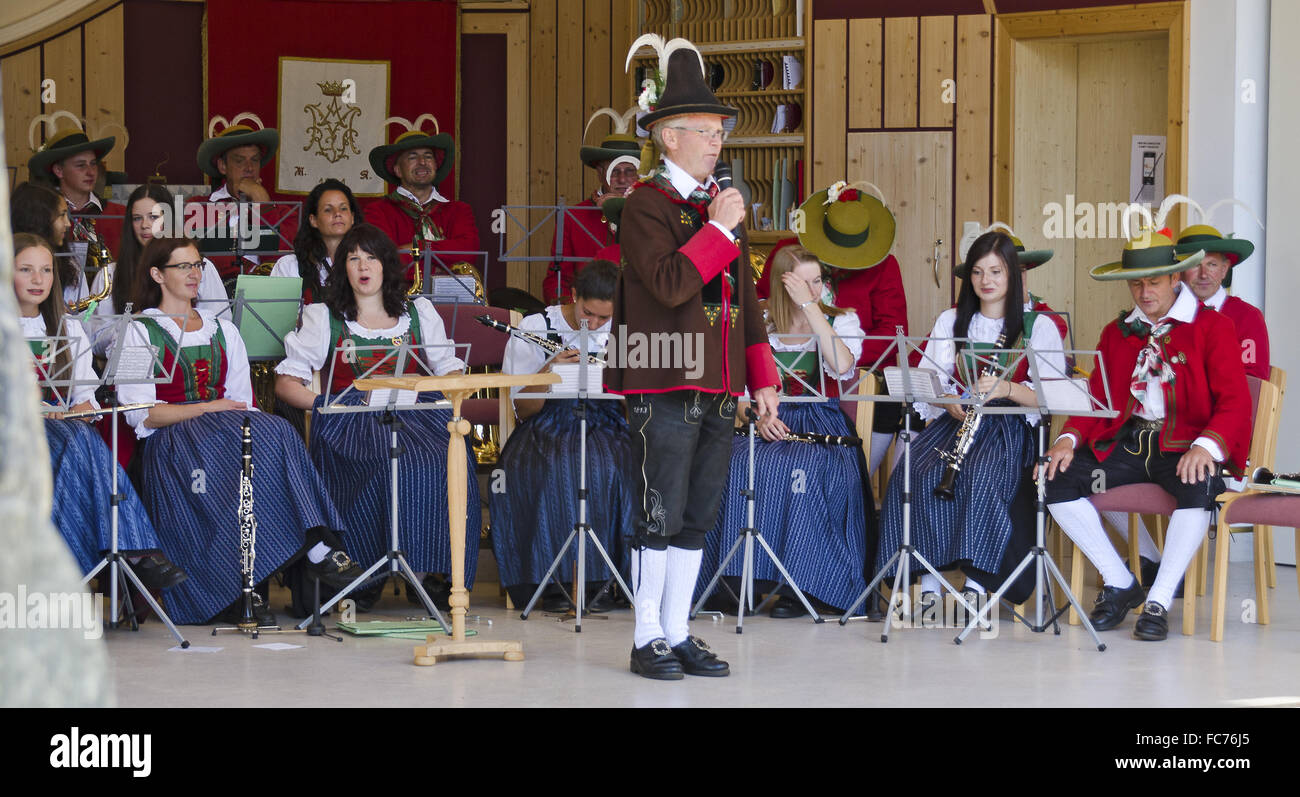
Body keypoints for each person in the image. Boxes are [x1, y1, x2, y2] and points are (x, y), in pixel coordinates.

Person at [609, 40, 780, 679]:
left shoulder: (717, 205)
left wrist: (761, 378)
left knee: (699, 508)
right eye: (705, 132)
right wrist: (719, 228)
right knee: (660, 506)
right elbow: (672, 284)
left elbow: (747, 301)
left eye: (720, 132)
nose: (716, 143)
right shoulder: (645, 205)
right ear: (668, 136)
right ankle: (645, 634)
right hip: (660, 374)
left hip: (716, 380)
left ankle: (677, 630)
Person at [115, 236, 361, 625]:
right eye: (183, 267)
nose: (195, 274)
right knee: (240, 455)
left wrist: (221, 412)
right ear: (157, 274)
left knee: (277, 430)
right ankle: (304, 552)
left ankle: (306, 548)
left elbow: (242, 402)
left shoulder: (223, 330)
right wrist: (208, 407)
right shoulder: (137, 331)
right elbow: (139, 413)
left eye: (197, 265)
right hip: (171, 442)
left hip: (225, 431)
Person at [1043, 230, 1251, 641]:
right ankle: (1120, 583)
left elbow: (1235, 403)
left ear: (1176, 279)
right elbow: (1098, 399)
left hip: (1186, 445)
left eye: (1153, 281)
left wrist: (1206, 445)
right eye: (1136, 282)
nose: (1143, 291)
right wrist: (1066, 441)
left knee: (1198, 483)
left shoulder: (1213, 327)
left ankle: (1157, 599)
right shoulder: (1116, 332)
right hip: (1130, 442)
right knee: (1053, 478)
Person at [274, 223, 478, 611]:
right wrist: (324, 405)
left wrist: (452, 381)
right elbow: (287, 383)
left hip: (419, 416)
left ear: (386, 266)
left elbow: (448, 365)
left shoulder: (418, 312)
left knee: (442, 460)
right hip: (352, 422)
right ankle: (366, 574)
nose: (363, 266)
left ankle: (429, 571)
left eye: (371, 257)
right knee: (384, 463)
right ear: (342, 270)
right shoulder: (324, 317)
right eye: (353, 259)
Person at [874, 231, 1066, 609]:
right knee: (913, 472)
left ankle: (978, 584)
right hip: (957, 423)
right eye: (978, 272)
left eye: (996, 271)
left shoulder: (1037, 326)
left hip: (1008, 426)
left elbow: (1050, 395)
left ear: (1013, 275)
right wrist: (947, 402)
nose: (986, 281)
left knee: (981, 474)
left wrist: (1005, 389)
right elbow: (933, 381)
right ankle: (929, 579)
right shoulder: (952, 320)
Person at [704, 244, 873, 618]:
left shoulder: (839, 320)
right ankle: (737, 581)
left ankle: (803, 585)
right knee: (731, 464)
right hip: (765, 420)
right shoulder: (760, 326)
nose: (812, 290)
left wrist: (811, 308)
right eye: (802, 283)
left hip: (819, 422)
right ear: (782, 285)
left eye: (818, 282)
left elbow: (843, 364)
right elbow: (735, 392)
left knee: (800, 469)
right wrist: (757, 416)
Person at [12, 233, 185, 594]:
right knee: (79, 442)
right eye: (25, 270)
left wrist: (76, 409)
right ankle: (136, 551)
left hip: (59, 432)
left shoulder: (67, 327)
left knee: (79, 438)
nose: (38, 279)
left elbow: (86, 396)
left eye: (45, 270)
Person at [490, 259, 633, 611]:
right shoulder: (537, 326)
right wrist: (549, 369)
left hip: (607, 421)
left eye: (604, 318)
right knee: (556, 465)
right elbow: (523, 409)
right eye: (588, 314)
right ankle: (550, 581)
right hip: (548, 422)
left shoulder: (623, 330)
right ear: (572, 296)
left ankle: (602, 581)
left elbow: (634, 405)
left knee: (616, 464)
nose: (596, 324)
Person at [757, 180, 909, 477]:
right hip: (782, 383)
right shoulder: (788, 254)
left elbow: (892, 332)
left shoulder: (885, 267)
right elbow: (763, 300)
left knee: (886, 403)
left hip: (858, 372)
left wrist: (840, 354)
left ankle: (859, 481)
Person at [89, 183, 226, 356]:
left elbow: (222, 326)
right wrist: (132, 323)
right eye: (137, 218)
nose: (145, 225)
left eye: (153, 217)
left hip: (191, 363)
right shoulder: (109, 274)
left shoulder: (200, 267)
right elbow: (95, 342)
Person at [543, 108, 641, 304]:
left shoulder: (651, 215)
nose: (622, 179)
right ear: (600, 172)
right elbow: (556, 280)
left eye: (629, 171)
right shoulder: (574, 217)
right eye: (614, 171)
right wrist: (574, 313)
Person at [364, 119, 479, 281]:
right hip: (397, 300)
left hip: (451, 301)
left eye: (428, 156)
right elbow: (385, 261)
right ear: (397, 169)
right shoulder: (378, 211)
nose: (422, 162)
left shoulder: (459, 210)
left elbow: (469, 252)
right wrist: (442, 265)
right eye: (413, 157)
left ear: (436, 165)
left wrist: (421, 248)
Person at [190, 115, 294, 280]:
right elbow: (202, 260)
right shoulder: (198, 208)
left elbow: (283, 262)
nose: (249, 168)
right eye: (239, 161)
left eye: (255, 160)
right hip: (214, 298)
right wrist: (252, 270)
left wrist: (262, 203)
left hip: (268, 298)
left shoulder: (284, 212)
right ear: (223, 166)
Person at [1175, 224, 1268, 379]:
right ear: (1179, 271)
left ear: (1224, 269)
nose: (1203, 274)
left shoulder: (1247, 317)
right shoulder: (1166, 315)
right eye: (1194, 265)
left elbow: (1253, 384)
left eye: (1211, 264)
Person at [28, 127, 127, 258]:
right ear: (59, 170)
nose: (90, 172)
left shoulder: (120, 215)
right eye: (81, 165)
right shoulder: (41, 217)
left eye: (93, 164)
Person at [270, 178, 363, 303]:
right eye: (328, 209)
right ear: (313, 220)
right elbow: (278, 317)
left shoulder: (368, 264)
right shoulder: (290, 266)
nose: (337, 214)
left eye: (343, 208)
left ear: (352, 217)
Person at [10, 181, 85, 307]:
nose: (68, 224)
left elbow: (88, 319)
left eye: (46, 270)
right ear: (38, 218)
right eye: (62, 215)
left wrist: (77, 317)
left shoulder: (70, 265)